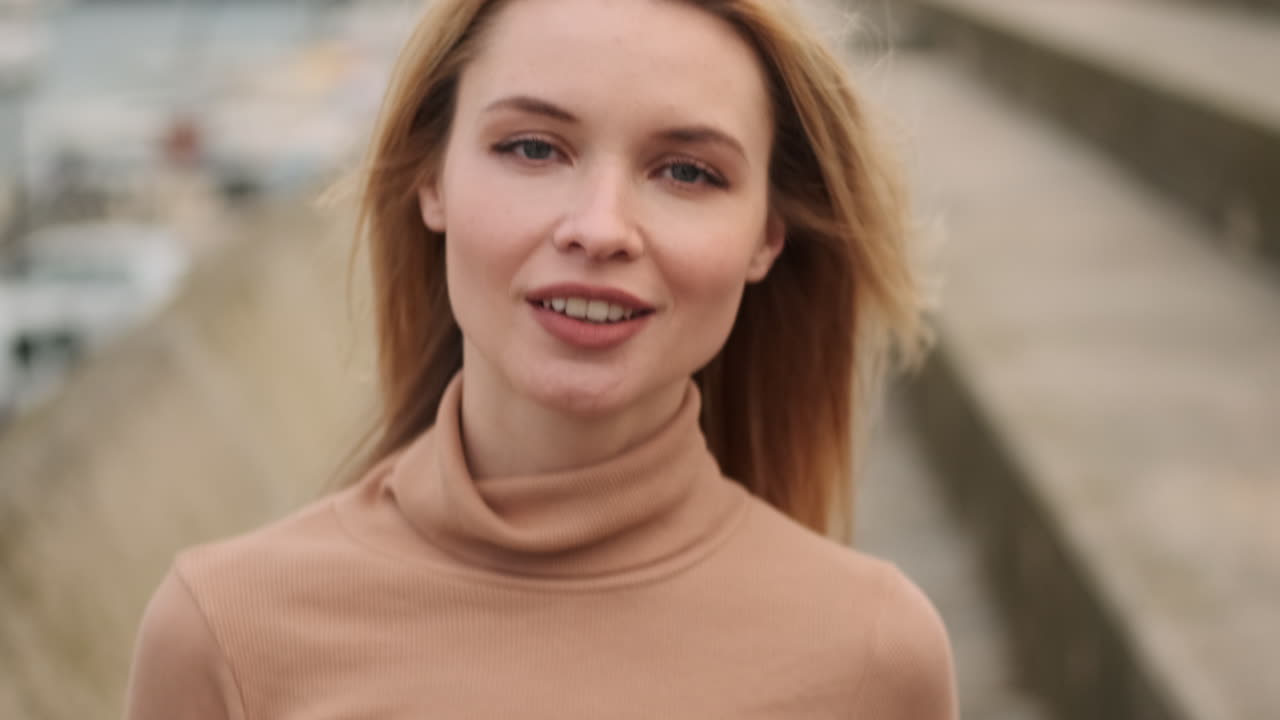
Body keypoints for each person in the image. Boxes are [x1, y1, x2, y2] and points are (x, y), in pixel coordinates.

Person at [125, 0, 958, 717]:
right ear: (433, 180)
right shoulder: (223, 634)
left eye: (687, 171)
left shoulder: (875, 657)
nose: (599, 228)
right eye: (532, 149)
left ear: (766, 237)